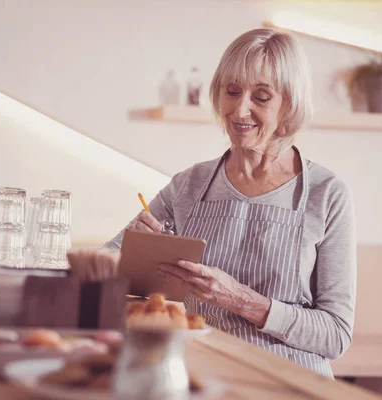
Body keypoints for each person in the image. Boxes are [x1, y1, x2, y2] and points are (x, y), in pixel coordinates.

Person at [101, 28, 356, 379]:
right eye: (232, 91)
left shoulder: (326, 194)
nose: (240, 109)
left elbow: (336, 334)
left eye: (262, 97)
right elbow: (103, 268)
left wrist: (240, 299)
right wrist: (136, 252)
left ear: (289, 103)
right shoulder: (189, 185)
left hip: (290, 382)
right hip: (203, 376)